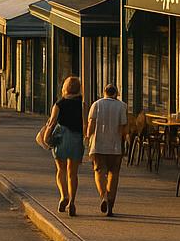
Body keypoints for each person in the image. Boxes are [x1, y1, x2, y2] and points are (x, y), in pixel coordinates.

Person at [44, 76, 86, 216]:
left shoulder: (59, 104)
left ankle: (64, 196)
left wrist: (46, 136)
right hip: (76, 138)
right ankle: (72, 201)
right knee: (72, 173)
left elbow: (52, 122)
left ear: (65, 88)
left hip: (61, 137)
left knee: (61, 169)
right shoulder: (83, 103)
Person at [87, 83, 129, 217]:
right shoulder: (122, 106)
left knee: (99, 172)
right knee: (114, 174)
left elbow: (91, 124)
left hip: (98, 146)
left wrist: (88, 138)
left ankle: (103, 196)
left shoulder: (96, 104)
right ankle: (111, 204)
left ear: (104, 92)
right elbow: (123, 127)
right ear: (116, 94)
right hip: (115, 147)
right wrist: (125, 140)